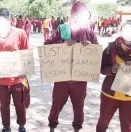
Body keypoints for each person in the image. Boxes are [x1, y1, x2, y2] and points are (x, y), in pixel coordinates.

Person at [45, 1, 98, 132]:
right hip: (62, 76)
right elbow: (46, 47)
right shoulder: (62, 30)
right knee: (56, 104)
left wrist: (89, 46)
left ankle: (77, 129)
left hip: (80, 77)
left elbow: (97, 53)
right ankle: (52, 127)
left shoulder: (89, 33)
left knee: (79, 106)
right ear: (72, 15)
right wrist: (63, 45)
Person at [0, 8, 30, 132]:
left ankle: (21, 126)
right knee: (4, 105)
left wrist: (24, 71)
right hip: (0, 80)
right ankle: (6, 127)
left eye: (5, 20)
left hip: (18, 79)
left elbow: (26, 53)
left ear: (10, 20)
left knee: (20, 105)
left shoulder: (20, 33)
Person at [96, 20, 131, 132]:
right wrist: (111, 70)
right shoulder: (111, 48)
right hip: (109, 95)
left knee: (127, 128)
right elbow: (100, 67)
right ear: (121, 31)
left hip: (129, 98)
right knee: (102, 125)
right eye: (126, 30)